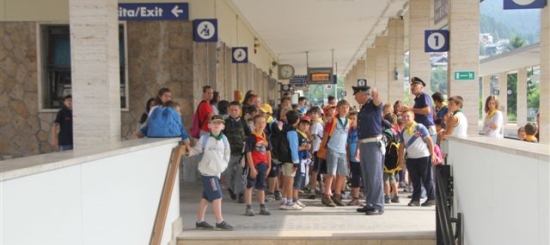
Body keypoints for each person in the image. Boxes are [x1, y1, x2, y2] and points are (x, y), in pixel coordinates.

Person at [187, 115, 233, 231]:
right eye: (214, 123)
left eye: (219, 123)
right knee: (217, 196)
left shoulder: (224, 139)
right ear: (209, 125)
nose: (216, 125)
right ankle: (219, 221)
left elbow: (227, 154)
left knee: (206, 197)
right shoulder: (205, 138)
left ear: (223, 126)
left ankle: (200, 221)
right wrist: (189, 152)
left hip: (217, 173)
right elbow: (196, 150)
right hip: (207, 172)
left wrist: (223, 165)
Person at [353, 83, 385, 215]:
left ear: (362, 94)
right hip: (365, 143)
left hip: (373, 143)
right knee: (366, 176)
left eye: (356, 95)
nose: (355, 98)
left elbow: (378, 102)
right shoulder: (364, 108)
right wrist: (358, 148)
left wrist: (376, 95)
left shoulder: (372, 104)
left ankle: (377, 205)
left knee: (375, 176)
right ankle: (370, 203)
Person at [397, 107, 438, 207]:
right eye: (404, 117)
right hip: (411, 158)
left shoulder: (420, 127)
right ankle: (415, 199)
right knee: (415, 180)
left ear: (413, 117)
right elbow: (402, 146)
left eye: (408, 116)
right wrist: (401, 159)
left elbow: (429, 140)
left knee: (427, 178)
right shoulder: (403, 131)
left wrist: (432, 154)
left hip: (423, 156)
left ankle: (431, 197)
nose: (406, 118)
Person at [321, 100, 351, 207]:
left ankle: (337, 194)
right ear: (337, 109)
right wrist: (323, 149)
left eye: (347, 107)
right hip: (332, 149)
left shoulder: (349, 121)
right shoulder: (333, 121)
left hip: (342, 151)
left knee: (342, 174)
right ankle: (326, 195)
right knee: (331, 174)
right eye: (343, 107)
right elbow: (325, 135)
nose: (345, 109)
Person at [223, 101, 251, 203]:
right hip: (228, 153)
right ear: (228, 110)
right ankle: (230, 188)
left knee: (241, 174)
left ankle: (240, 193)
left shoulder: (243, 122)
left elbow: (249, 134)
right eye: (231, 110)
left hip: (241, 153)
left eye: (236, 110)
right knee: (228, 173)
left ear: (239, 110)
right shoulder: (225, 122)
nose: (234, 112)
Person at [244, 115, 272, 216]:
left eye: (263, 122)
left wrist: (269, 166)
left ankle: (262, 206)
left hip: (263, 164)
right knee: (250, 186)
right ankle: (249, 207)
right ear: (254, 124)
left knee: (262, 186)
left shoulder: (265, 136)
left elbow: (268, 152)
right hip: (254, 165)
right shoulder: (252, 137)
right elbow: (248, 153)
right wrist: (251, 167)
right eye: (259, 123)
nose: (261, 125)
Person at [280, 110, 303, 210]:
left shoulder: (284, 129)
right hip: (290, 159)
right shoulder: (292, 132)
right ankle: (289, 202)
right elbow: (294, 148)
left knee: (286, 180)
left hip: (284, 158)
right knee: (290, 181)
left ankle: (284, 200)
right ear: (297, 120)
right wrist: (296, 162)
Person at [410, 77, 438, 144]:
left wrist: (410, 109)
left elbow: (427, 110)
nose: (412, 87)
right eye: (411, 85)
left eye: (415, 85)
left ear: (421, 88)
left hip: (427, 127)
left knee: (428, 151)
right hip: (422, 128)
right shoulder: (418, 98)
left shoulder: (424, 96)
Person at [293, 115, 312, 208]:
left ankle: (295, 198)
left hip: (304, 160)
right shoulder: (297, 134)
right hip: (298, 161)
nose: (305, 126)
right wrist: (304, 147)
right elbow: (294, 148)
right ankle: (294, 199)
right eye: (303, 124)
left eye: (307, 125)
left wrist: (307, 153)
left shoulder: (304, 135)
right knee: (297, 180)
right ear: (298, 124)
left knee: (301, 180)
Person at [308, 106, 324, 199]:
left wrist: (305, 131)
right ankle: (322, 188)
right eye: (311, 114)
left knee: (315, 171)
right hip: (320, 149)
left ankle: (313, 190)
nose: (313, 115)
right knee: (320, 171)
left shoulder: (316, 125)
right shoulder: (320, 123)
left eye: (315, 113)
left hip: (317, 150)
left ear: (319, 114)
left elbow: (311, 138)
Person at [346, 110, 361, 206]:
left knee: (364, 177)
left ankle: (370, 198)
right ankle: (356, 198)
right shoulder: (348, 131)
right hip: (352, 158)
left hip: (360, 158)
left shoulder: (361, 130)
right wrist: (347, 158)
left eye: (354, 119)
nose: (352, 121)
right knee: (355, 177)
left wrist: (358, 151)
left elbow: (361, 141)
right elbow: (347, 145)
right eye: (350, 119)